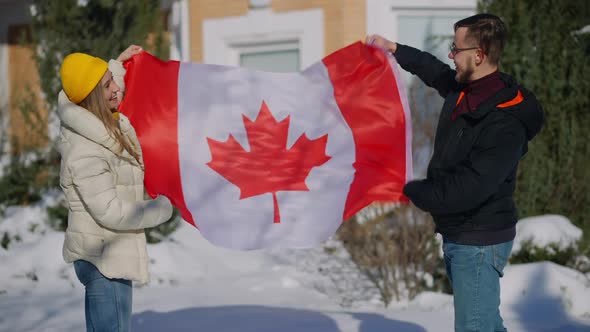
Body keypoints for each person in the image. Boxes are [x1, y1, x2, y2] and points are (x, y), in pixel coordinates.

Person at [367, 13, 543, 331]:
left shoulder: (505, 123)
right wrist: (394, 48)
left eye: (456, 49)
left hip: (479, 238)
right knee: (485, 323)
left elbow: (468, 188)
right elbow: (433, 70)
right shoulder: (466, 89)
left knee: (474, 326)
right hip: (462, 232)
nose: (451, 55)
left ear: (479, 55)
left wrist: (407, 188)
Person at [58, 45, 173, 332]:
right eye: (107, 85)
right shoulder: (86, 150)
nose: (115, 88)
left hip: (109, 252)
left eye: (112, 80)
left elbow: (100, 87)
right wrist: (162, 208)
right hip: (102, 259)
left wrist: (118, 66)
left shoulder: (92, 119)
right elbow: (111, 212)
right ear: (92, 96)